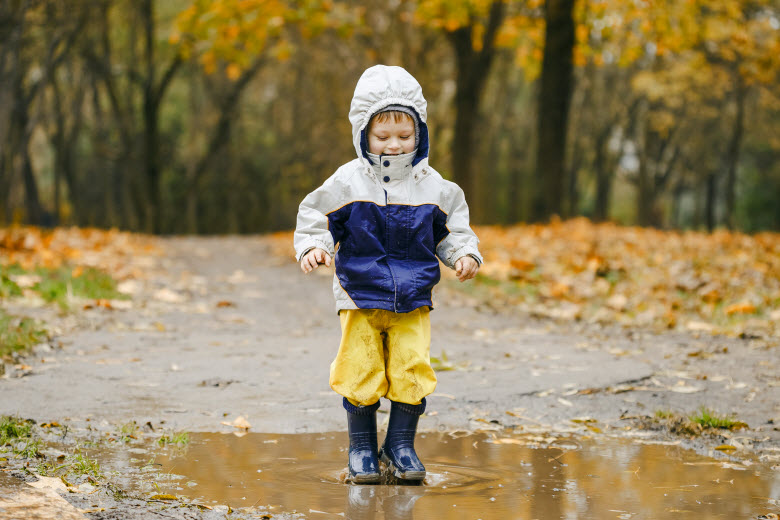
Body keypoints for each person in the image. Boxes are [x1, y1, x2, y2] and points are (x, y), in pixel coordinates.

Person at [294, 65, 482, 483]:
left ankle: (400, 445)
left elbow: (453, 232)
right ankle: (361, 447)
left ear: (420, 133)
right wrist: (314, 245)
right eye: (383, 137)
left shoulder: (436, 188)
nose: (394, 145)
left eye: (404, 135)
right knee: (359, 367)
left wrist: (463, 254)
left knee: (412, 367)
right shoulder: (348, 182)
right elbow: (314, 215)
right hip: (360, 295)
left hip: (413, 297)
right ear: (363, 134)